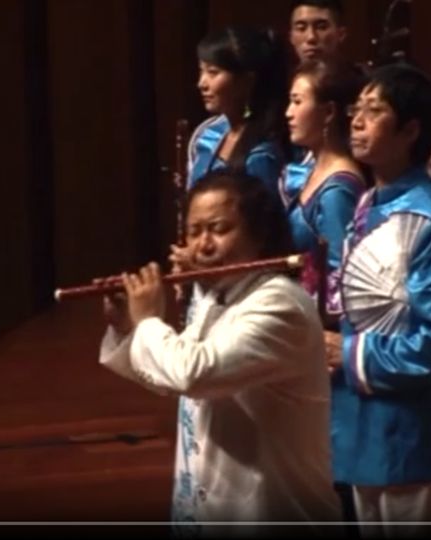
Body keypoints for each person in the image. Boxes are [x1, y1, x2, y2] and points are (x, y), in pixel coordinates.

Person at [99, 170, 343, 534]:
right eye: (194, 232)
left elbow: (193, 374)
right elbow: (170, 376)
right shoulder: (219, 296)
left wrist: (148, 320)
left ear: (258, 235)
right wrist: (127, 327)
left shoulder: (280, 304)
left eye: (218, 229)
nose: (203, 245)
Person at [331, 63, 431, 538]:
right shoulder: (368, 202)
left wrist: (346, 353)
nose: (357, 121)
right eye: (356, 109)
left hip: (415, 435)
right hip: (363, 426)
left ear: (410, 130)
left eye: (374, 111)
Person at [282, 57, 368, 530]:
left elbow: (342, 277)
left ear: (329, 112)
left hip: (325, 338)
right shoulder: (313, 170)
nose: (288, 112)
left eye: (298, 101)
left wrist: (327, 338)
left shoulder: (338, 189)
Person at [189, 26, 290, 194]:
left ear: (247, 80)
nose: (202, 84)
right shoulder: (210, 136)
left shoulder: (261, 155)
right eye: (201, 71)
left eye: (213, 73)